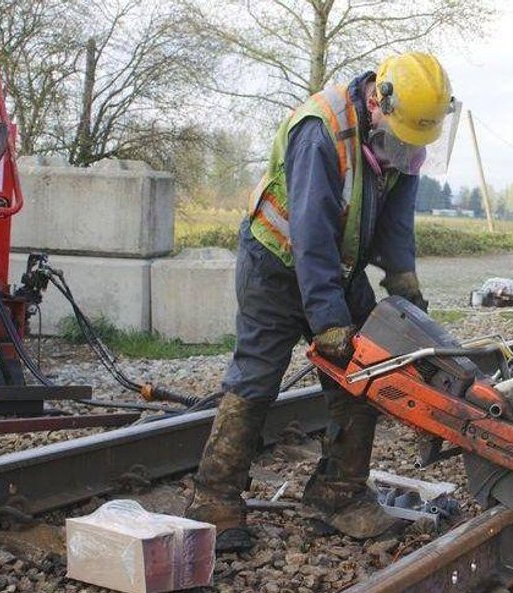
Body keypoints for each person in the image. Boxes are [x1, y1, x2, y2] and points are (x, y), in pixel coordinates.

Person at [185, 52, 454, 551]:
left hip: (337, 266)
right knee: (256, 380)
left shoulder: (400, 138)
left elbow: (396, 220)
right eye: (402, 139)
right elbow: (311, 235)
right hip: (277, 263)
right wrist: (329, 322)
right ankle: (214, 502)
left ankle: (338, 495)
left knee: (366, 373)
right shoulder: (321, 131)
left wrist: (405, 284)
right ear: (379, 100)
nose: (405, 152)